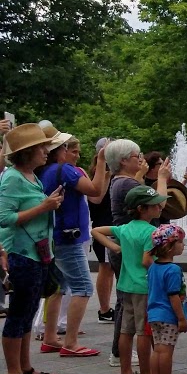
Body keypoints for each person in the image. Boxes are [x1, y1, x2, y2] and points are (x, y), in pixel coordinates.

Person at [0, 124, 63, 374]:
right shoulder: (12, 178)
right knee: (18, 315)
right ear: (27, 152)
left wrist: (47, 204)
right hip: (22, 254)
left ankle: (25, 368)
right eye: (41, 147)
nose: (46, 151)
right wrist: (44, 206)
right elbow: (5, 218)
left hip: (37, 253)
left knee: (27, 314)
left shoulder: (30, 176)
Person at [92, 185, 167, 374]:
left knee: (126, 330)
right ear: (142, 208)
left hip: (125, 285)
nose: (160, 207)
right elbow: (147, 261)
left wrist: (114, 247)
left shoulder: (125, 228)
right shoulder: (152, 232)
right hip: (144, 286)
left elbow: (95, 230)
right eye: (155, 204)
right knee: (144, 332)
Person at [39, 134, 108, 356]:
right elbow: (96, 191)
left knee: (59, 287)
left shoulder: (46, 171)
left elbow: (94, 196)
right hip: (68, 237)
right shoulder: (65, 170)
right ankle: (70, 343)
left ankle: (50, 337)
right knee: (83, 288)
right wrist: (101, 161)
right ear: (61, 149)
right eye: (70, 149)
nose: (75, 154)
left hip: (53, 236)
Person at [103, 139, 166, 368]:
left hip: (126, 245)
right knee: (132, 311)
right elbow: (158, 203)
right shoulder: (126, 184)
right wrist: (163, 178)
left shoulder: (122, 182)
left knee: (125, 303)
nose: (141, 160)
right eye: (136, 156)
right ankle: (123, 355)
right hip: (134, 249)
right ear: (123, 161)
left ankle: (122, 359)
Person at [145, 224, 187, 374]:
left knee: (157, 350)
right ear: (170, 246)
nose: (183, 245)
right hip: (169, 316)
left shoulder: (153, 267)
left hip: (154, 315)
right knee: (166, 351)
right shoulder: (173, 270)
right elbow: (174, 296)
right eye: (181, 242)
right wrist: (181, 318)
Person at [88, 138, 116, 324]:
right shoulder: (100, 173)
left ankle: (106, 308)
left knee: (110, 268)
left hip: (110, 225)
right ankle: (104, 309)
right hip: (103, 226)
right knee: (106, 267)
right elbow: (96, 198)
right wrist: (105, 169)